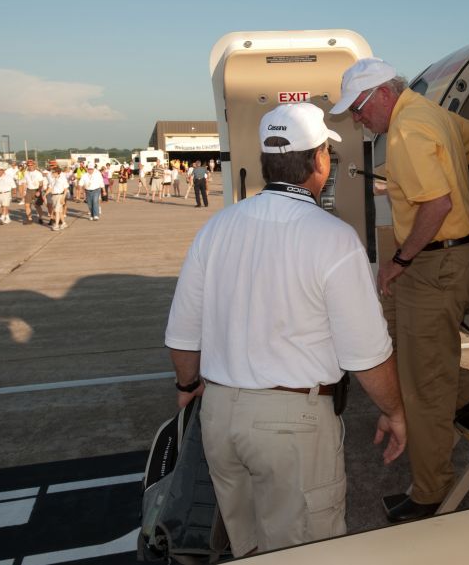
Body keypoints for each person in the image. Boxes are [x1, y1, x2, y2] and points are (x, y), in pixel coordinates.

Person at [165, 102, 406, 555]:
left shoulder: (216, 228)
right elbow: (367, 354)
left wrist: (188, 385)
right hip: (292, 427)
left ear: (265, 161)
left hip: (220, 418)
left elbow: (182, 335)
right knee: (306, 552)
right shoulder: (331, 237)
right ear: (319, 161)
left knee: (246, 548)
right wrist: (394, 412)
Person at [330, 58, 469, 523]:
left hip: (435, 263)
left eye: (359, 110)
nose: (359, 120)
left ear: (382, 94)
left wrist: (400, 260)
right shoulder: (429, 111)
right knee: (395, 349)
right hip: (444, 258)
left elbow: (436, 205)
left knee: (423, 386)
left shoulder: (405, 130)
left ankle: (430, 493)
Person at [22, 159, 46, 225]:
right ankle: (29, 219)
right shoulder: (26, 173)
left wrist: (39, 191)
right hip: (29, 190)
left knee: (37, 206)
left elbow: (41, 183)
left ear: (34, 165)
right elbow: (24, 182)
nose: (30, 166)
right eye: (28, 165)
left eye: (31, 165)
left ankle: (40, 218)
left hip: (36, 189)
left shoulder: (38, 173)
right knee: (27, 205)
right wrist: (24, 191)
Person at [46, 165, 69, 230]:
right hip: (54, 196)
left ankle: (56, 225)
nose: (52, 173)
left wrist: (63, 198)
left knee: (56, 211)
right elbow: (50, 187)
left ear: (57, 172)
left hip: (60, 195)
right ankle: (64, 223)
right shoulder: (53, 180)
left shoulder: (62, 179)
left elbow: (66, 189)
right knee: (60, 211)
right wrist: (45, 194)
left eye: (53, 172)